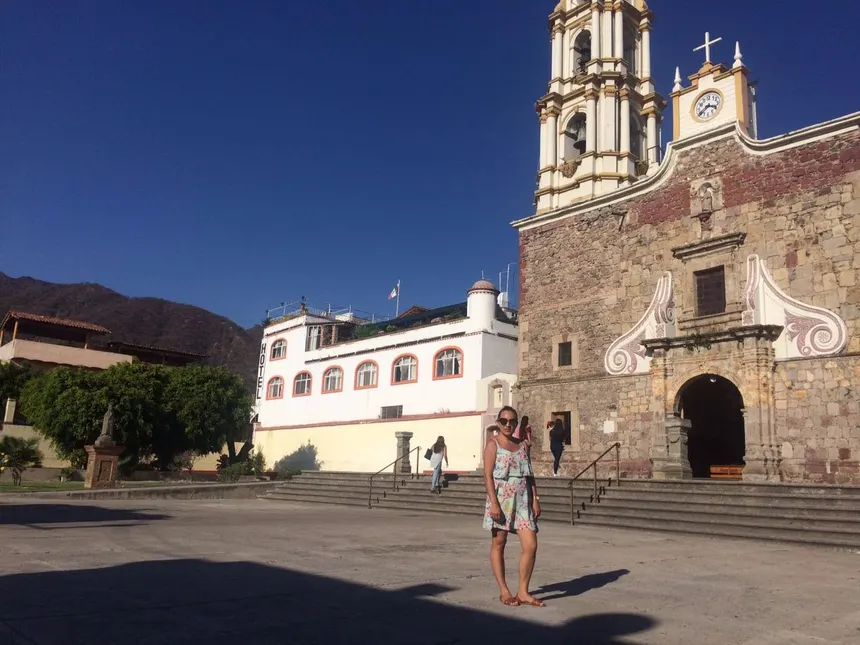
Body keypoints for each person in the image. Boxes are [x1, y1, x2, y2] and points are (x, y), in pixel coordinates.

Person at [483, 406, 544, 607]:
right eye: (504, 421)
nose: (508, 425)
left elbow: (530, 474)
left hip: (523, 500)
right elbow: (488, 476)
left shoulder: (522, 445)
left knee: (531, 545)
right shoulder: (493, 445)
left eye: (512, 421)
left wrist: (535, 497)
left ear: (516, 423)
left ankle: (523, 591)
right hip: (502, 499)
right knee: (499, 543)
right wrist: (494, 503)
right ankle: (504, 590)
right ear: (498, 423)